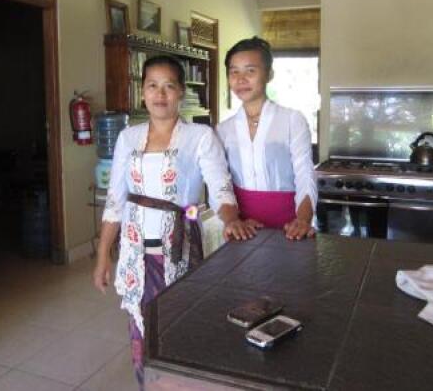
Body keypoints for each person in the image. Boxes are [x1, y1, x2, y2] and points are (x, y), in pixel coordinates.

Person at [93, 55, 253, 387]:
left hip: (179, 250)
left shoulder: (199, 136)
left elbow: (220, 187)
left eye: (169, 86)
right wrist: (103, 256)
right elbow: (115, 201)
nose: (160, 94)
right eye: (152, 85)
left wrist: (231, 218)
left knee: (177, 328)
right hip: (135, 253)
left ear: (181, 92)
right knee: (141, 331)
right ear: (142, 92)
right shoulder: (128, 138)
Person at [217, 37, 317, 240]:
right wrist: (231, 221)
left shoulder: (292, 120)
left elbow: (304, 173)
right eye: (234, 72)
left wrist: (303, 220)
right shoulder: (223, 130)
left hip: (290, 227)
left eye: (250, 71)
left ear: (269, 74)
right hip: (243, 228)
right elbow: (220, 182)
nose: (241, 79)